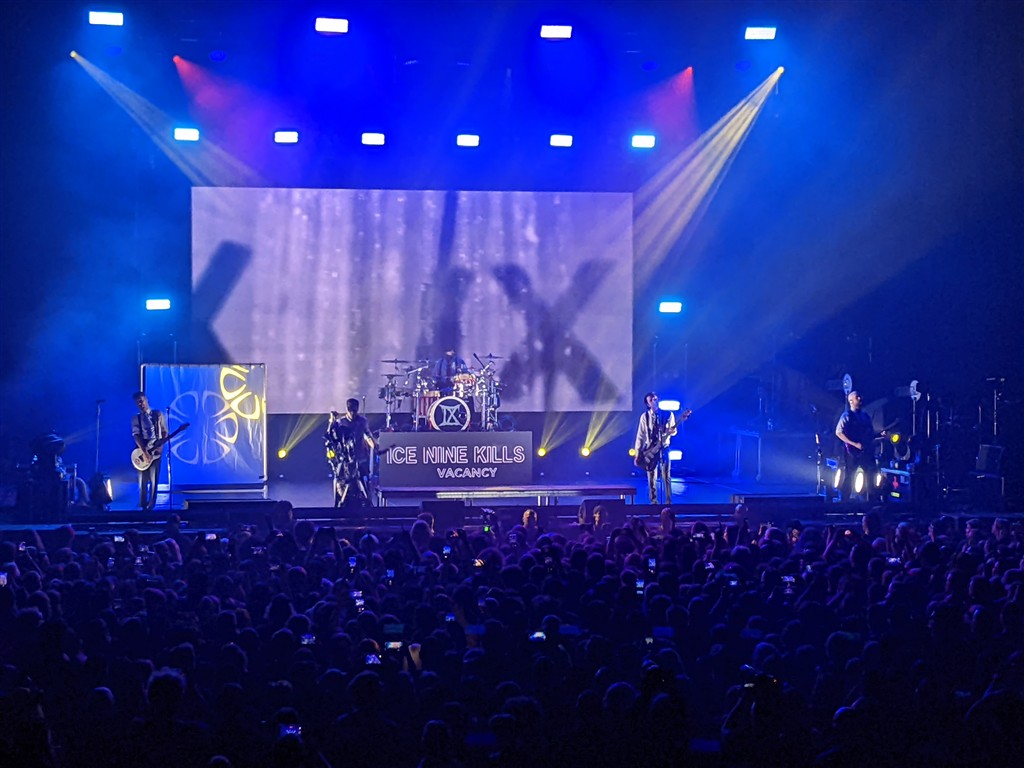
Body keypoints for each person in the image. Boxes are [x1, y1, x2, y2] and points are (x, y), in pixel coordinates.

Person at [325, 398, 377, 508]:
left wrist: (374, 446)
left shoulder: (362, 421)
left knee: (364, 478)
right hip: (345, 458)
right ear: (347, 409)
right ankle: (337, 502)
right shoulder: (341, 422)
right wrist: (331, 421)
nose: (353, 413)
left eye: (355, 411)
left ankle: (368, 501)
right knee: (338, 477)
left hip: (360, 456)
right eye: (350, 411)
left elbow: (368, 435)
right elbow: (330, 436)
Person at [834, 390, 880, 501]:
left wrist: (879, 435)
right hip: (852, 452)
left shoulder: (865, 416)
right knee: (850, 474)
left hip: (866, 451)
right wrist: (854, 444)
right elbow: (839, 432)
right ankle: (844, 500)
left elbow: (869, 434)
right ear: (851, 401)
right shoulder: (846, 416)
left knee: (871, 474)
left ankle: (871, 499)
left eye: (860, 396)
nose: (860, 399)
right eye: (857, 397)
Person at [634, 392, 676, 505]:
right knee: (651, 475)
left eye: (656, 399)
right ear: (648, 404)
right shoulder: (645, 417)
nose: (654, 401)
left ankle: (668, 501)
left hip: (664, 447)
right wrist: (638, 453)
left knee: (666, 474)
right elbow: (640, 435)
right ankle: (653, 501)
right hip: (650, 449)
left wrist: (671, 431)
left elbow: (673, 431)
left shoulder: (668, 414)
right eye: (651, 400)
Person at [132, 390, 168, 510]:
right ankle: (142, 505)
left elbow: (164, 431)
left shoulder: (157, 414)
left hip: (156, 450)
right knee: (142, 480)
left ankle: (151, 505)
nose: (141, 404)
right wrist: (144, 451)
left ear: (146, 400)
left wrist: (161, 446)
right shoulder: (136, 418)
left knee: (154, 480)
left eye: (142, 401)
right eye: (138, 403)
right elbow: (136, 435)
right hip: (143, 450)